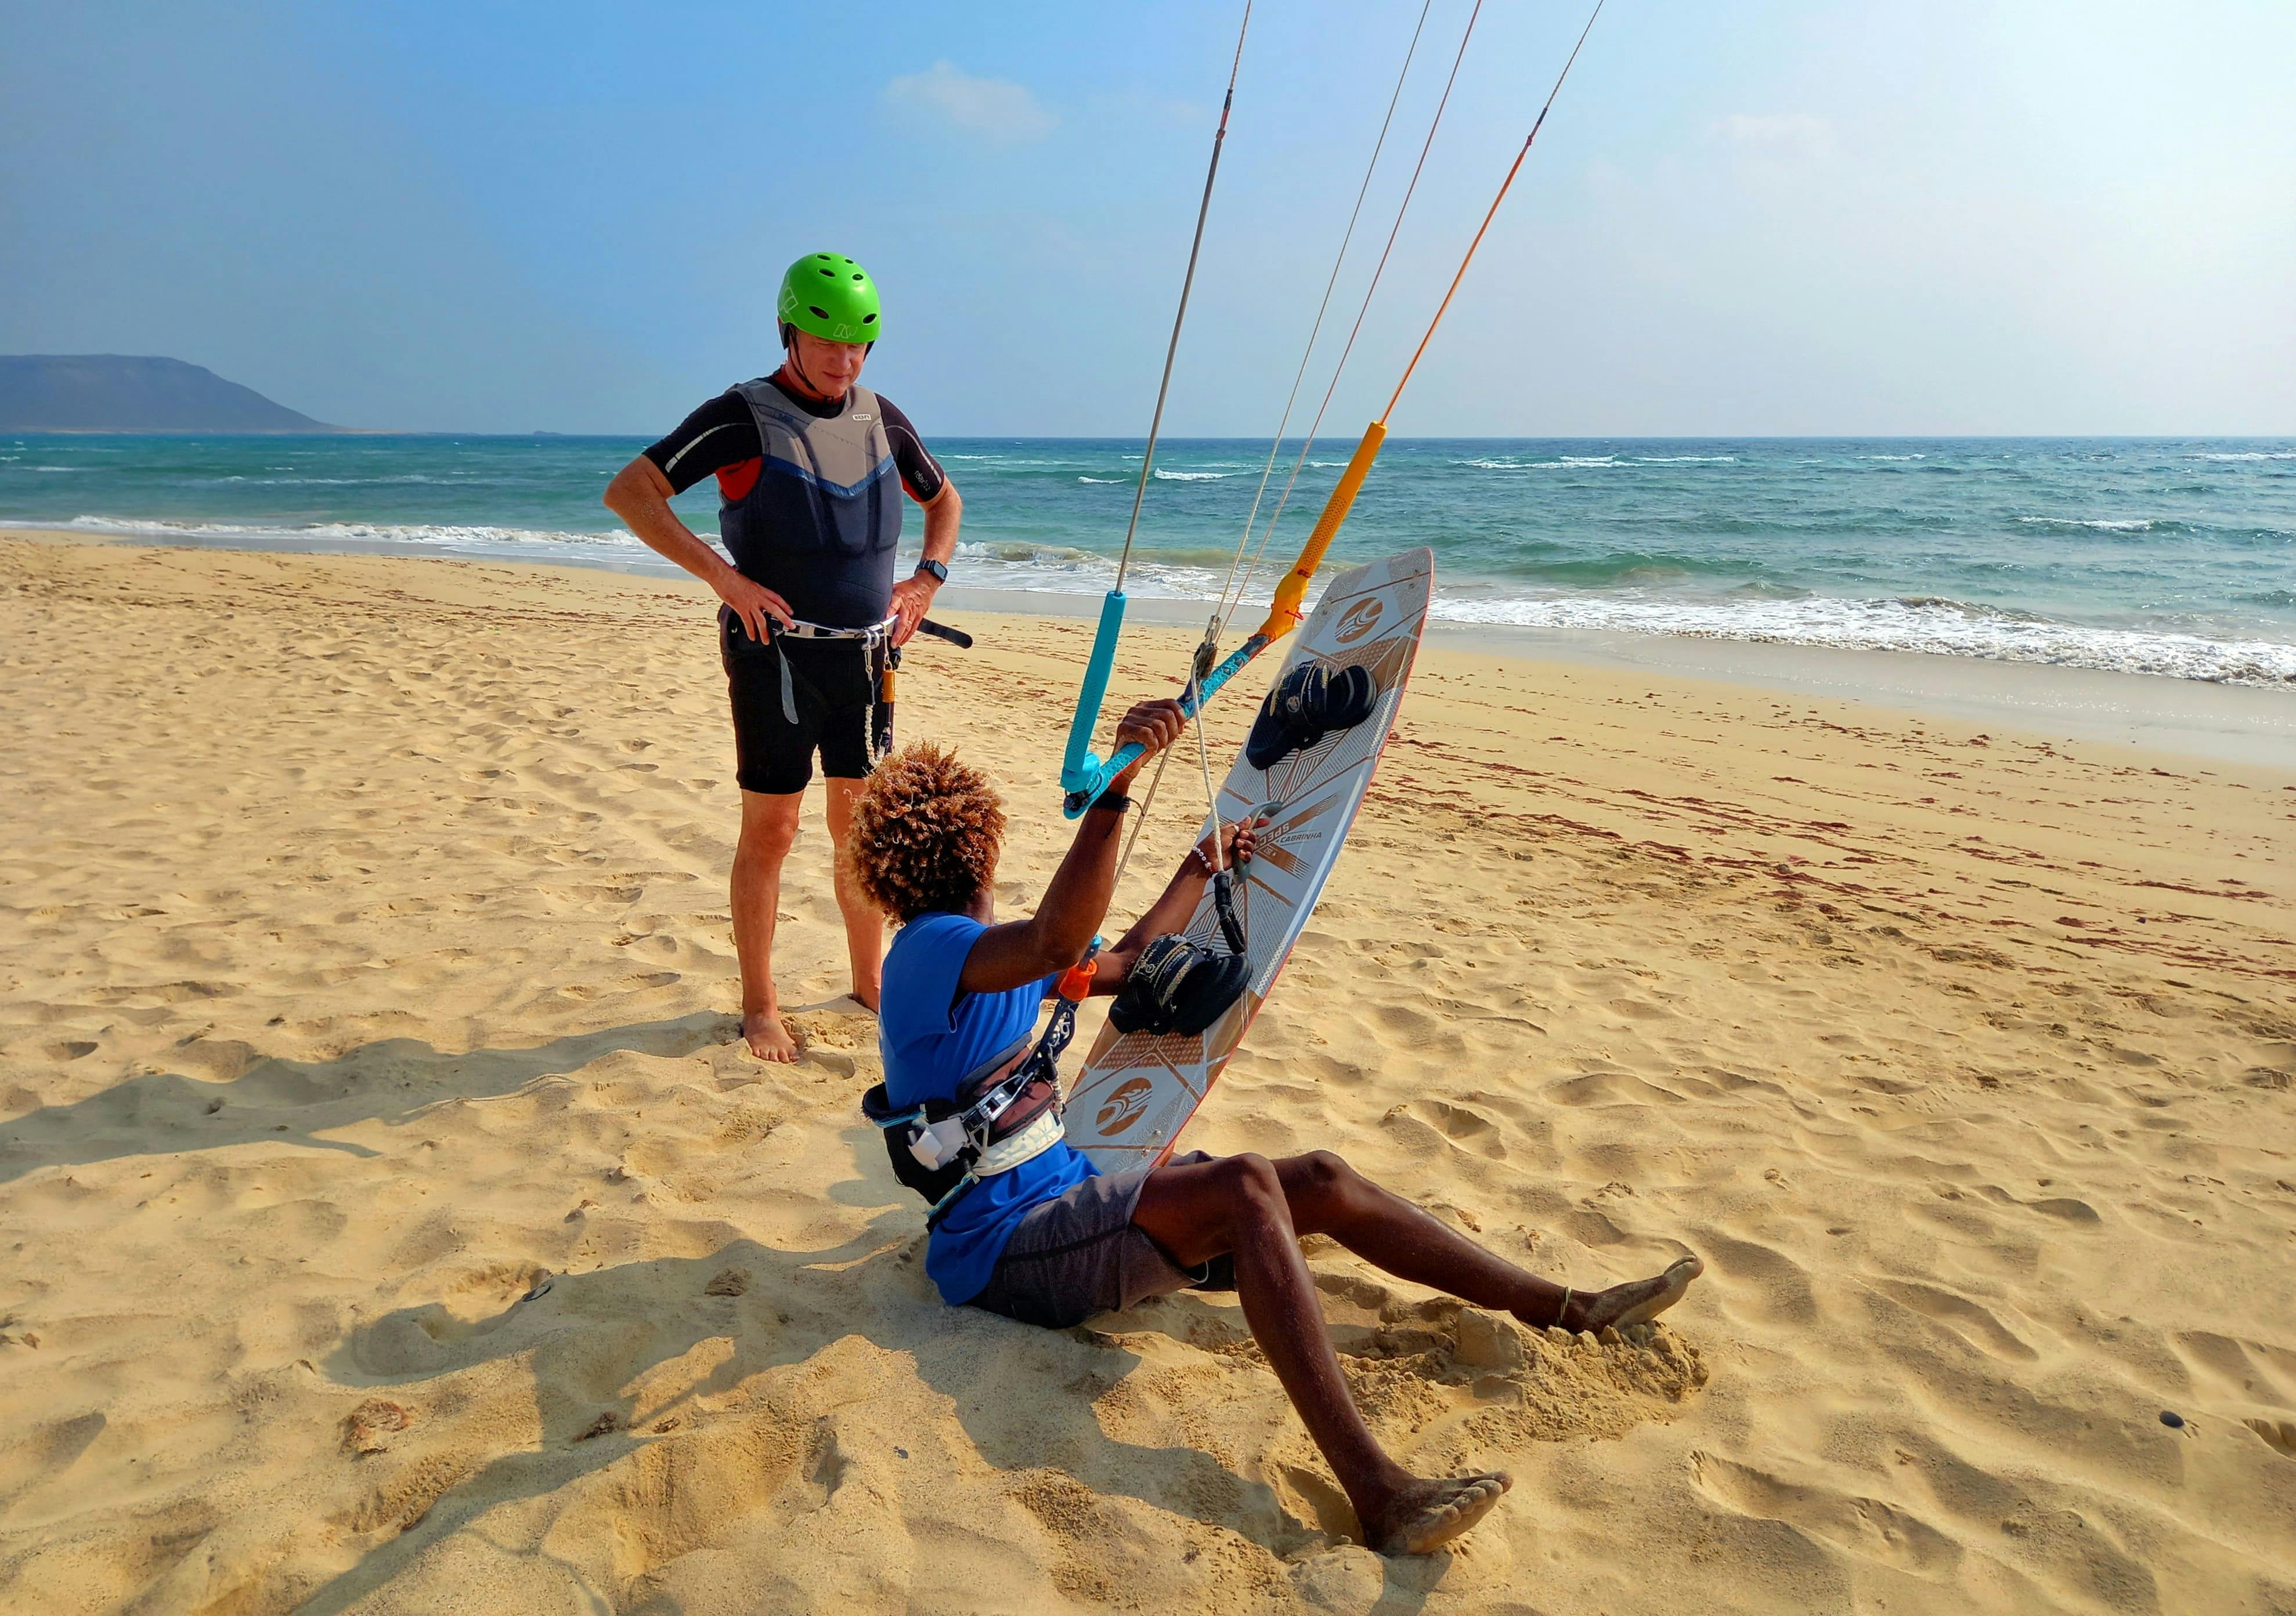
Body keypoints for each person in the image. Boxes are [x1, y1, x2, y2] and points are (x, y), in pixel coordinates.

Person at [845, 700, 1705, 1556]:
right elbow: (1057, 937)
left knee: (1320, 1178)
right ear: (983, 844)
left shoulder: (984, 957)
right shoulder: (927, 952)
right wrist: (1115, 784)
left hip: (1066, 1198)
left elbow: (1129, 956)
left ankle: (1569, 1307)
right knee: (1249, 1183)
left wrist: (1199, 863)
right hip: (1001, 1252)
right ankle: (1383, 1494)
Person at [604, 251, 960, 1061]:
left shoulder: (881, 417)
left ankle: (869, 982)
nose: (846, 360)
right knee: (774, 827)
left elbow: (944, 499)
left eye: (860, 345)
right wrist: (727, 582)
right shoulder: (741, 415)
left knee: (858, 829)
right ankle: (760, 1005)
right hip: (774, 660)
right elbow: (632, 492)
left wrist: (925, 584)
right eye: (828, 342)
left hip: (866, 663)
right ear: (788, 332)